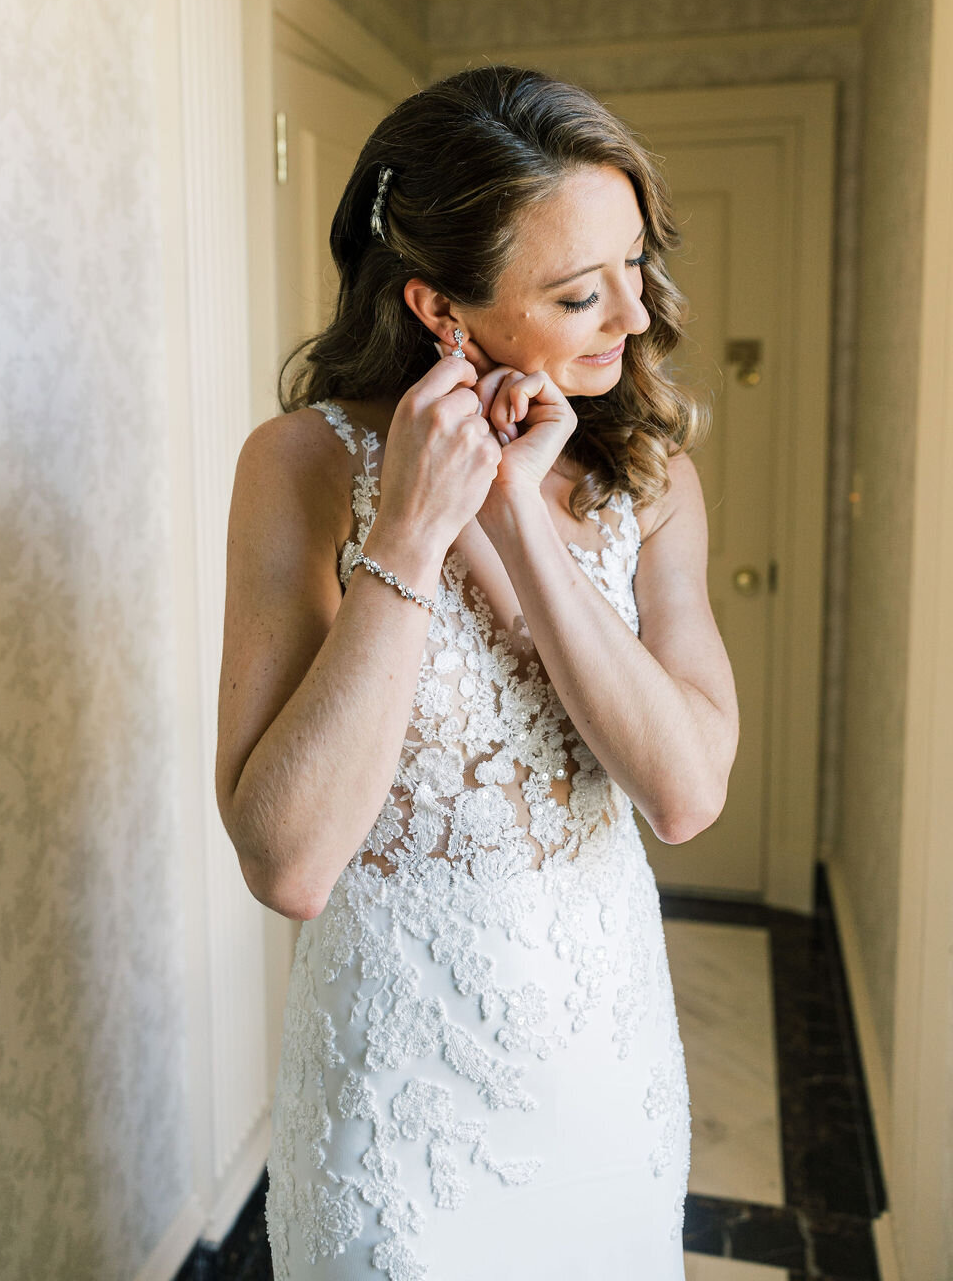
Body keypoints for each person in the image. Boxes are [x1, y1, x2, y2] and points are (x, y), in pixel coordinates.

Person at [215, 65, 739, 1280]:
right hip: (400, 1119)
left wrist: (515, 513)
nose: (637, 317)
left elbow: (682, 794)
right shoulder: (299, 465)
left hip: (604, 1079)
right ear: (443, 311)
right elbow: (287, 863)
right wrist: (407, 533)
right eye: (577, 293)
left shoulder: (648, 482)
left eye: (634, 265)